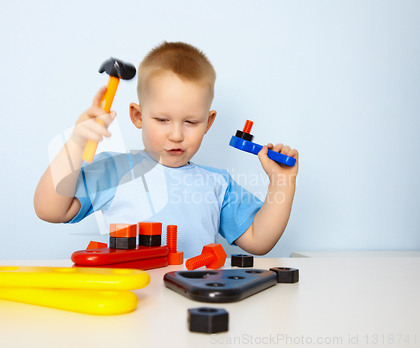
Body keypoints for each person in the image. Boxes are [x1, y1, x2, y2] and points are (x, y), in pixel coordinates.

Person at [34, 41, 299, 257]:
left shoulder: (218, 183)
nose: (176, 135)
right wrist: (77, 141)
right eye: (162, 120)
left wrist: (282, 183)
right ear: (137, 116)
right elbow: (50, 210)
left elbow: (259, 241)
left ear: (208, 122)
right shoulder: (113, 171)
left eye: (191, 122)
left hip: (193, 305)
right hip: (132, 306)